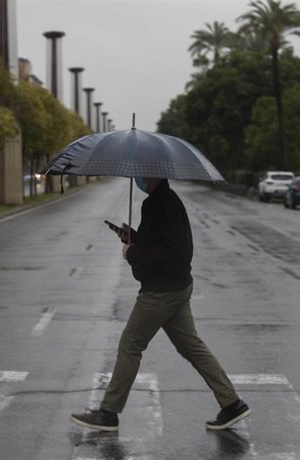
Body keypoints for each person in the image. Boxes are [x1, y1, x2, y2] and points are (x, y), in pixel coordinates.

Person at [70, 177, 249, 432]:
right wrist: (132, 237)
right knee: (191, 346)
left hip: (161, 291)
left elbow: (170, 251)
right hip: (177, 286)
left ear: (153, 175)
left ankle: (108, 413)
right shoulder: (161, 201)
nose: (140, 178)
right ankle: (232, 404)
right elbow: (162, 242)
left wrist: (132, 253)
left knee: (130, 344)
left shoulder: (162, 203)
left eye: (143, 173)